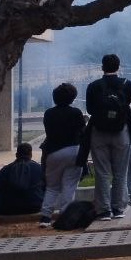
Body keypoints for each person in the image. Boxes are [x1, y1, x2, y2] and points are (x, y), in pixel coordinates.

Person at [85, 53, 131, 220]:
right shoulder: (127, 84)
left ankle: (104, 210)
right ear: (118, 67)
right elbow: (126, 105)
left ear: (102, 67)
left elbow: (90, 109)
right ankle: (118, 208)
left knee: (102, 172)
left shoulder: (93, 86)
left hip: (98, 132)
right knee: (121, 172)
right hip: (121, 131)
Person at [40, 83, 85, 227]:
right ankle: (65, 215)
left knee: (52, 187)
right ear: (72, 98)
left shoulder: (49, 113)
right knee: (69, 186)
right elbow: (83, 133)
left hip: (53, 152)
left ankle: (45, 217)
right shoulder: (76, 113)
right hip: (74, 151)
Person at [0, 143, 44, 215]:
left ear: (16, 155)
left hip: (7, 208)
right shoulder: (39, 168)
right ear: (31, 155)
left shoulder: (4, 170)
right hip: (34, 207)